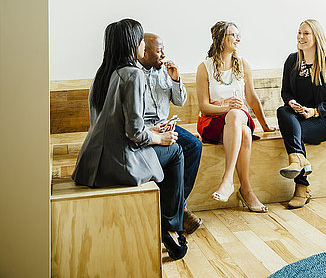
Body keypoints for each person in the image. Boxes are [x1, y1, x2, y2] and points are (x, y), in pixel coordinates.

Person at [72, 19, 188, 260]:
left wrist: (153, 131)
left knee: (169, 147)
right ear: (131, 44)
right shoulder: (133, 75)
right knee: (176, 150)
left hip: (90, 163)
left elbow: (106, 124)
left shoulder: (103, 73)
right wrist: (159, 138)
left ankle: (165, 220)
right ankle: (170, 226)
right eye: (140, 40)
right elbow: (135, 134)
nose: (144, 45)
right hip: (118, 163)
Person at [196, 20, 276, 212]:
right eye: (233, 35)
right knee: (245, 133)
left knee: (235, 115)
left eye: (238, 35)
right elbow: (204, 107)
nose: (238, 39)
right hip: (213, 121)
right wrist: (225, 107)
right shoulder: (204, 67)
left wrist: (265, 125)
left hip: (239, 116)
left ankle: (227, 180)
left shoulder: (242, 64)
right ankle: (246, 190)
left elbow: (252, 97)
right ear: (221, 38)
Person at [277, 18, 326, 209]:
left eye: (306, 33)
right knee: (283, 112)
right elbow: (286, 92)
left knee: (294, 131)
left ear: (316, 37)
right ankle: (298, 159)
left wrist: (316, 111)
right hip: (302, 115)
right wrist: (292, 103)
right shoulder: (292, 60)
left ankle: (301, 187)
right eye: (299, 32)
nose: (300, 37)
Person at [138, 33, 203, 234]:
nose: (163, 54)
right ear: (144, 53)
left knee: (193, 145)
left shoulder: (164, 71)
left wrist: (176, 79)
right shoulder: (133, 75)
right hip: (145, 127)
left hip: (165, 123)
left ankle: (177, 205)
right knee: (173, 150)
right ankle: (178, 212)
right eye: (159, 51)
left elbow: (180, 102)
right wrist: (152, 132)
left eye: (163, 49)